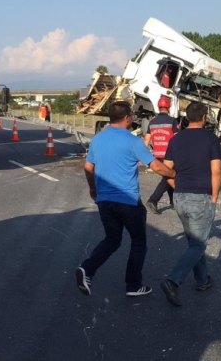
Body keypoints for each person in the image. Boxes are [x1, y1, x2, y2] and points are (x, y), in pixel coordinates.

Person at [76, 101, 176, 297]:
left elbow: (88, 168)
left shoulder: (98, 140)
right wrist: (174, 174)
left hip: (105, 201)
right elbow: (155, 166)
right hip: (128, 202)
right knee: (139, 242)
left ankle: (87, 268)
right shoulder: (133, 141)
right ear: (127, 117)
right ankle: (133, 285)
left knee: (112, 240)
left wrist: (93, 189)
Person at [160, 102, 221, 306]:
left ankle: (203, 280)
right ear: (204, 117)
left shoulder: (176, 140)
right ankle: (172, 281)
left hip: (179, 198)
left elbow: (164, 168)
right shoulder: (210, 139)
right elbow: (216, 171)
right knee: (198, 244)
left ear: (187, 117)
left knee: (194, 242)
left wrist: (175, 183)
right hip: (200, 198)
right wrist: (214, 198)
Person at [145, 96, 179, 215]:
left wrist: (144, 156)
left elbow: (147, 140)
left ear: (159, 107)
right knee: (170, 176)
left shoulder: (152, 122)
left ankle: (173, 202)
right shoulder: (172, 121)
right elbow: (177, 139)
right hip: (170, 155)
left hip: (158, 155)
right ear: (169, 107)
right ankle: (153, 200)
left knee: (168, 176)